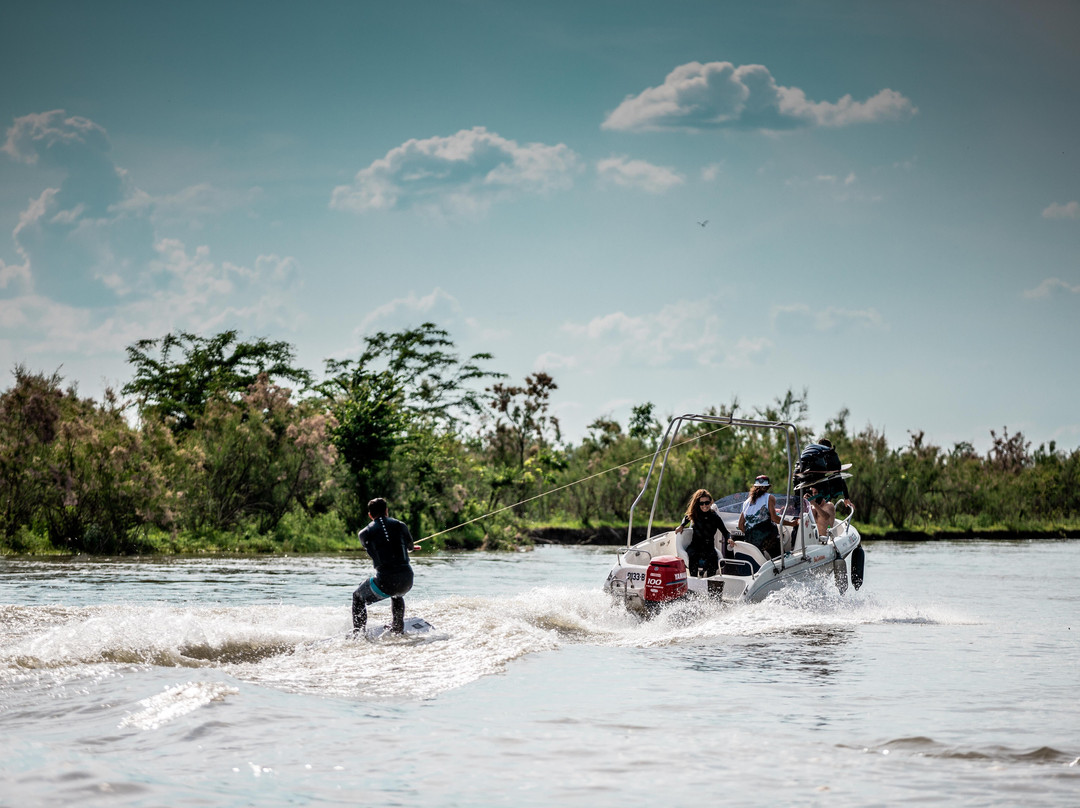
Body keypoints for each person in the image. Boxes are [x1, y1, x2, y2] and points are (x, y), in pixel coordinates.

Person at [352, 497, 420, 635]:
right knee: (396, 594)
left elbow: (376, 549)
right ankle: (397, 627)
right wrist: (410, 548)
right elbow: (410, 546)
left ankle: (358, 634)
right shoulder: (401, 525)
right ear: (387, 511)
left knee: (358, 596)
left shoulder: (364, 533)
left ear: (370, 515)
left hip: (386, 582)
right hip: (407, 580)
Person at [675, 488, 732, 577]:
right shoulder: (695, 514)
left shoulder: (715, 517)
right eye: (701, 503)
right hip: (695, 547)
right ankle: (693, 585)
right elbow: (687, 517)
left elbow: (725, 532)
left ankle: (710, 588)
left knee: (713, 561)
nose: (704, 505)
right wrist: (681, 526)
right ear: (698, 504)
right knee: (693, 558)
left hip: (709, 548)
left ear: (710, 503)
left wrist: (729, 539)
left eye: (707, 503)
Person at [738, 475, 796, 558]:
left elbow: (740, 525)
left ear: (754, 486)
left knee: (758, 561)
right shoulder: (769, 497)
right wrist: (792, 524)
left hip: (751, 541)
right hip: (768, 538)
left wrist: (752, 535)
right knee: (780, 559)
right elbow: (774, 518)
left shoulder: (746, 502)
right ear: (768, 487)